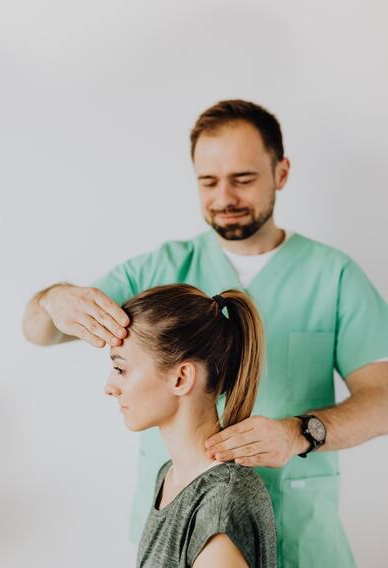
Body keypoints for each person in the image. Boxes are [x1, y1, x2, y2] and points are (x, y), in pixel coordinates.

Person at [23, 99, 388, 567]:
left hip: (300, 537)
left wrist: (302, 432)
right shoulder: (158, 270)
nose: (224, 197)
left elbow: (383, 397)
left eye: (243, 179)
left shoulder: (332, 276)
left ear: (281, 173)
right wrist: (52, 299)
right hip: (180, 527)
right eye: (208, 181)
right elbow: (40, 332)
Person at [104, 283, 277, 567]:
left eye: (120, 369)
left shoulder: (221, 504)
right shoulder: (170, 476)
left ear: (181, 378)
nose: (109, 387)